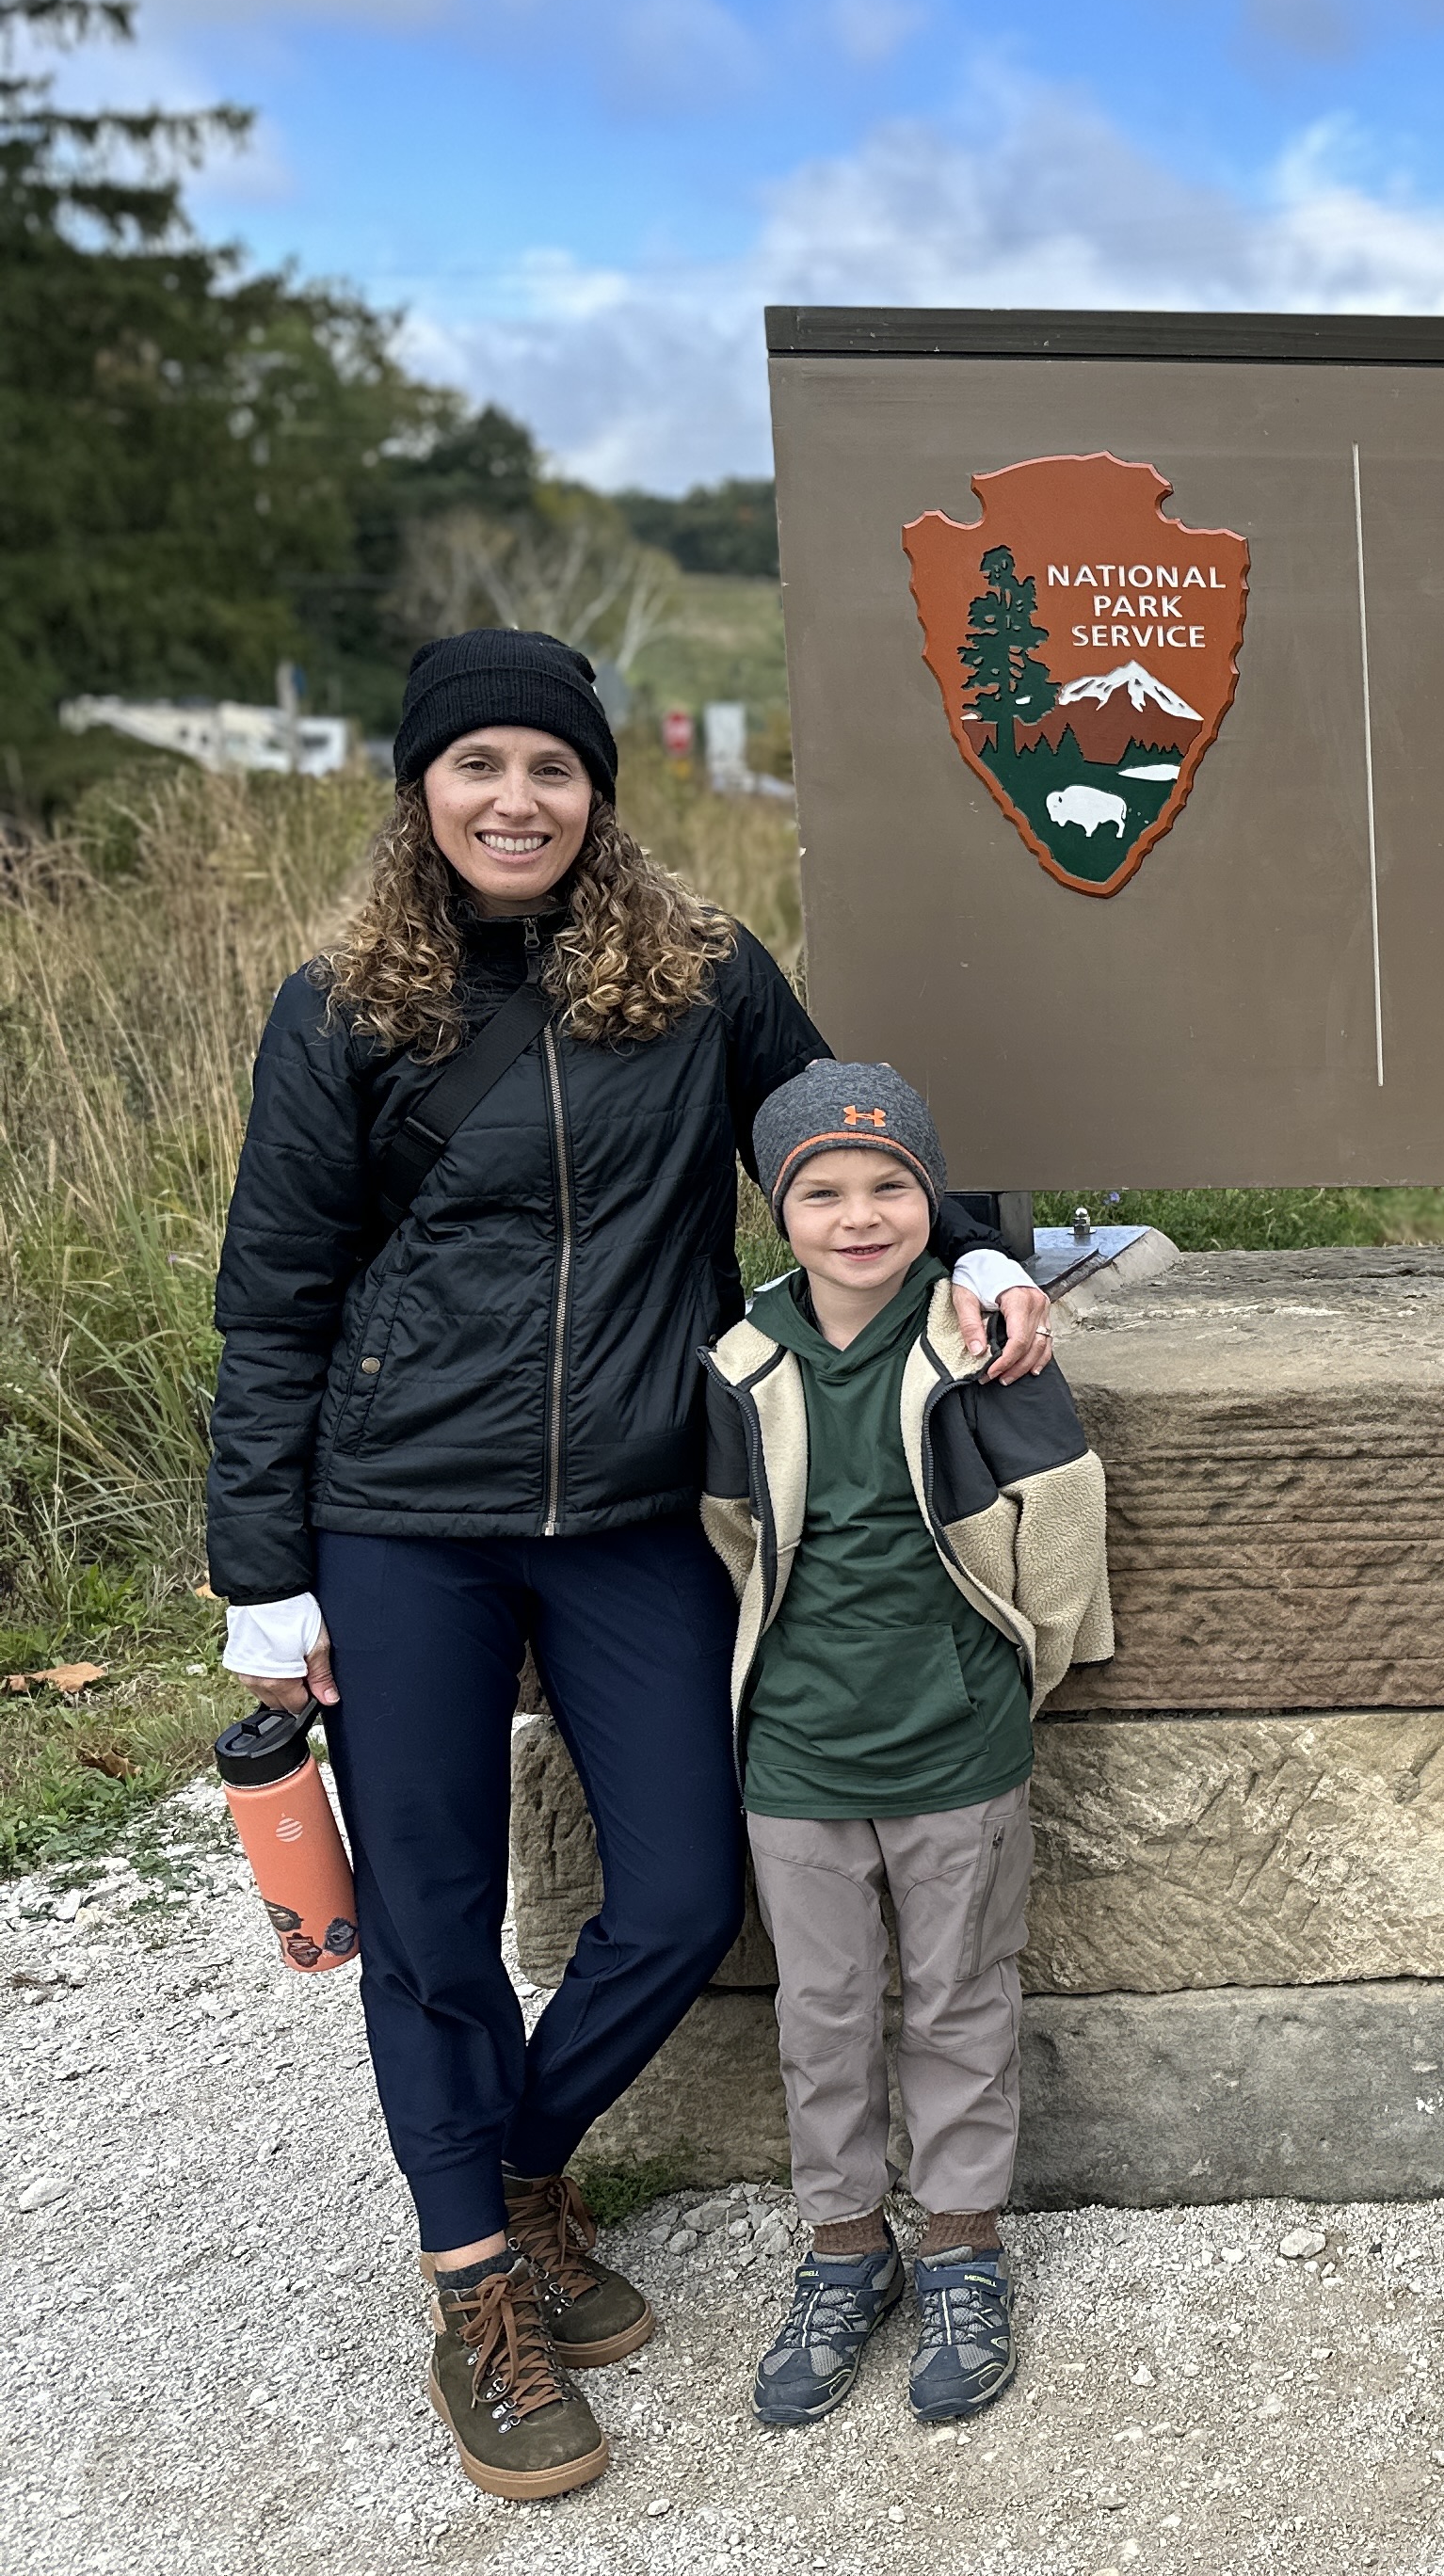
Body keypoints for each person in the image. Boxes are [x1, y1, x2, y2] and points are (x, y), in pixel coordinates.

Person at [209, 631, 1055, 2503]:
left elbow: (839, 1134)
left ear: (597, 792)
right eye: (478, 764)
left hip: (633, 1513)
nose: (515, 799)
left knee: (679, 1892)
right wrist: (265, 1583)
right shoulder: (340, 1009)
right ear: (422, 789)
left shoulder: (700, 976)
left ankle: (515, 2165)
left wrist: (978, 1251)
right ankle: (477, 2287)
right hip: (398, 1523)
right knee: (430, 1921)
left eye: (552, 767)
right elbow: (272, 1303)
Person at [710, 1064, 1112, 2430]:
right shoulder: (744, 1358)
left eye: (891, 1187)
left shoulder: (982, 1340)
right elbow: (731, 1533)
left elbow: (1061, 1508)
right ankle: (843, 2253)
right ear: (779, 1212)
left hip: (956, 1740)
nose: (859, 1217)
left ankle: (960, 2248)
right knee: (820, 2012)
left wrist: (1020, 1662)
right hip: (799, 1752)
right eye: (822, 1192)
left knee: (958, 1998)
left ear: (933, 1198)